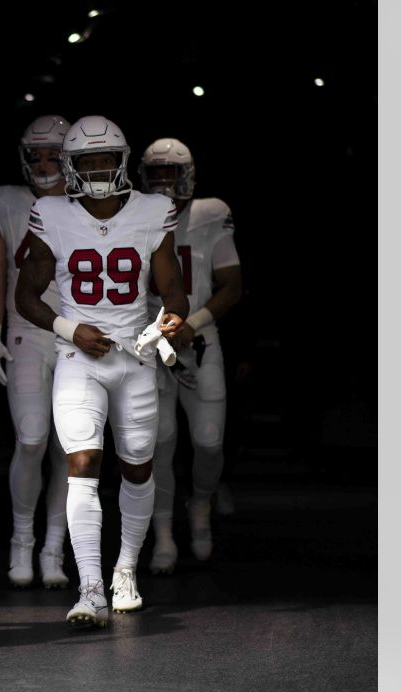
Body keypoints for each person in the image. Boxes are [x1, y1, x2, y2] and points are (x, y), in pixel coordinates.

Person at [14, 116, 189, 629]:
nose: (95, 170)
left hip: (134, 355)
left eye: (105, 160)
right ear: (71, 166)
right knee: (82, 462)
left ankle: (125, 571)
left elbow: (171, 286)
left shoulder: (154, 211)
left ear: (122, 162)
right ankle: (90, 586)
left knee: (137, 466)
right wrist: (70, 330)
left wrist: (174, 314)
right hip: (79, 359)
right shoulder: (50, 212)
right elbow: (27, 294)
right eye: (86, 162)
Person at [138, 137, 243, 572]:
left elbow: (232, 285)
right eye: (156, 173)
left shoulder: (209, 213)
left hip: (199, 340)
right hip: (149, 343)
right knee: (159, 443)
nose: (164, 182)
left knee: (208, 441)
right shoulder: (133, 217)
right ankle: (163, 532)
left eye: (171, 173)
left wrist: (191, 324)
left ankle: (199, 503)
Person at [0, 115, 73, 589]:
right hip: (27, 331)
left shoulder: (89, 203)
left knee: (68, 445)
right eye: (35, 154)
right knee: (32, 437)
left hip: (76, 333)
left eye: (52, 154)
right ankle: (22, 537)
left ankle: (53, 546)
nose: (42, 163)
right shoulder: (7, 201)